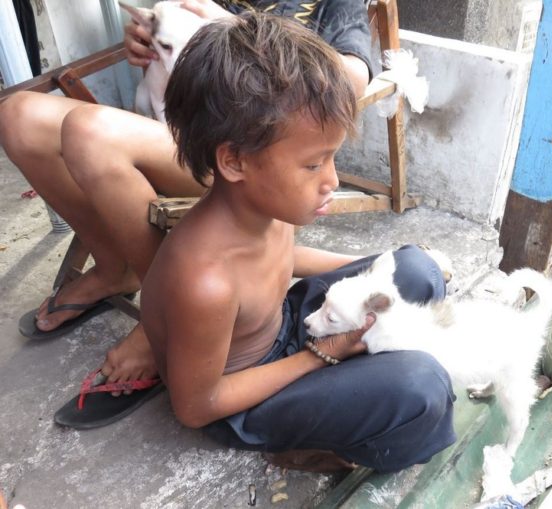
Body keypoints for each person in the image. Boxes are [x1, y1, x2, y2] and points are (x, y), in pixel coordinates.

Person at [0, 0, 370, 428]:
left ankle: (164, 323)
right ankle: (115, 268)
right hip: (191, 131)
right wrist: (149, 40)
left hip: (259, 145)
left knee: (88, 133)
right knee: (17, 116)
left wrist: (234, 38)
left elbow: (356, 75)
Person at [137, 11, 456, 472]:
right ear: (235, 161)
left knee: (415, 271)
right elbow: (195, 406)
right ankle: (312, 446)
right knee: (422, 388)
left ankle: (356, 375)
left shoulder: (263, 206)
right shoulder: (205, 282)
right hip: (244, 398)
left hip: (290, 324)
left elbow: (282, 259)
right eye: (313, 165)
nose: (331, 180)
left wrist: (373, 264)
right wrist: (320, 357)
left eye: (332, 159)